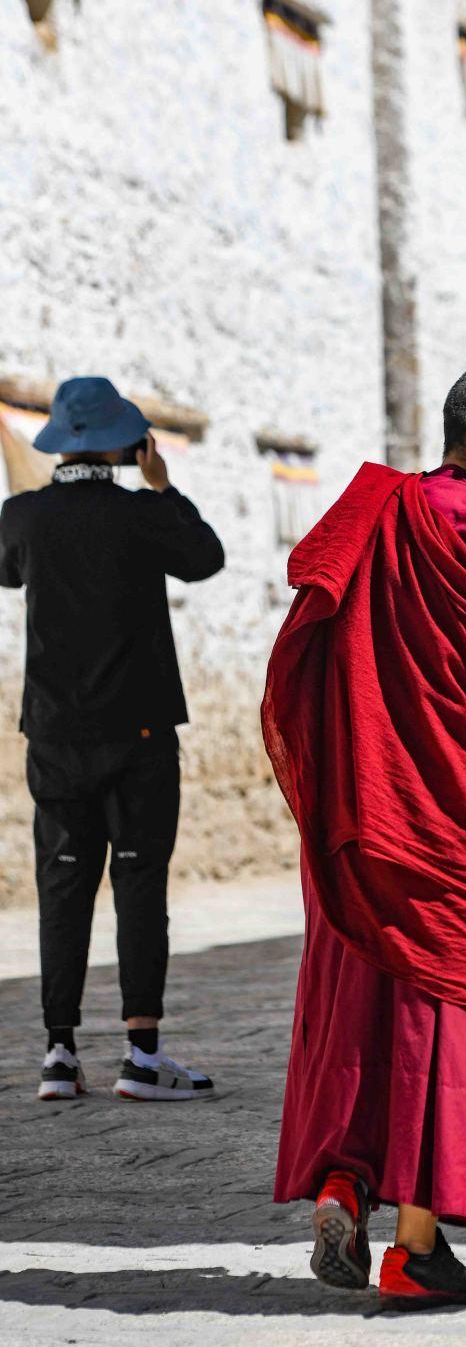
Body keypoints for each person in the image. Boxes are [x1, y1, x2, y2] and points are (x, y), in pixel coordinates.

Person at [265, 362, 466, 1309]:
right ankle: (414, 1246)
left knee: (365, 1000)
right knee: (446, 1009)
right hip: (455, 806)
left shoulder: (380, 512)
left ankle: (342, 1181)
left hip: (372, 807)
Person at [0, 376, 225, 1103]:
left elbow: (6, 570)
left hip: (56, 736)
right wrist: (162, 488)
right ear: (128, 444)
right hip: (140, 733)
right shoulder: (141, 514)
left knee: (61, 888)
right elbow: (206, 556)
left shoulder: (24, 515)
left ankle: (59, 1054)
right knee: (137, 885)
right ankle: (141, 1053)